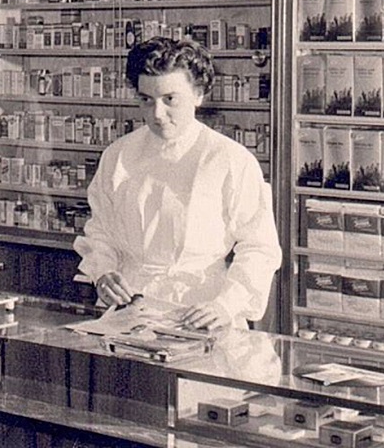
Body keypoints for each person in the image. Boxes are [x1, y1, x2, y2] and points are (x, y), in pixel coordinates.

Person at [73, 36, 281, 329]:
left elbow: (260, 248)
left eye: (170, 99)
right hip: (131, 307)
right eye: (146, 100)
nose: (157, 114)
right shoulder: (119, 155)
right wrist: (104, 273)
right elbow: (101, 231)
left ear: (198, 94)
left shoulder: (230, 159)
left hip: (202, 310)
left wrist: (226, 304)